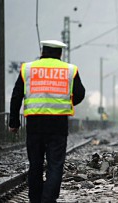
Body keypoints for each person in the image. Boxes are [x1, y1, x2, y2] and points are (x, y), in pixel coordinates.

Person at [9, 40, 85, 203]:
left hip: (34, 124)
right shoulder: (69, 70)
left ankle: (35, 200)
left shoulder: (27, 69)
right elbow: (80, 94)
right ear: (60, 53)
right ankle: (48, 199)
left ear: (42, 51)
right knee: (55, 165)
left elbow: (16, 96)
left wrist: (14, 123)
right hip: (58, 125)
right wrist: (66, 102)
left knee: (35, 165)